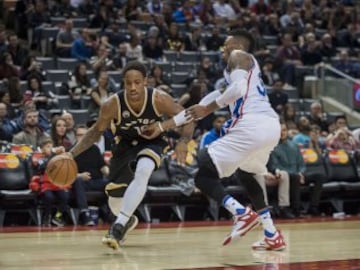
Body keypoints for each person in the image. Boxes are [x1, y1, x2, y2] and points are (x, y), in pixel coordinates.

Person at [145, 30, 286, 251]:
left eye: (226, 44)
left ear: (237, 44)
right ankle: (271, 234)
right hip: (270, 127)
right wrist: (163, 126)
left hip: (253, 125)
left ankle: (241, 213)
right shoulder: (239, 73)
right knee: (247, 174)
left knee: (203, 169)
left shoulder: (238, 55)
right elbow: (199, 108)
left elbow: (228, 95)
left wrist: (209, 108)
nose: (223, 47)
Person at [67, 61, 193, 249]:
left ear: (145, 82)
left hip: (152, 142)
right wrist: (71, 154)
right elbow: (95, 132)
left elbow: (188, 116)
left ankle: (117, 226)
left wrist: (183, 142)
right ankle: (127, 220)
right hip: (124, 146)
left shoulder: (159, 98)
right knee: (115, 200)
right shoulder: (112, 104)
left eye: (137, 82)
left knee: (143, 170)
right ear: (123, 83)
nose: (133, 87)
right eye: (128, 83)